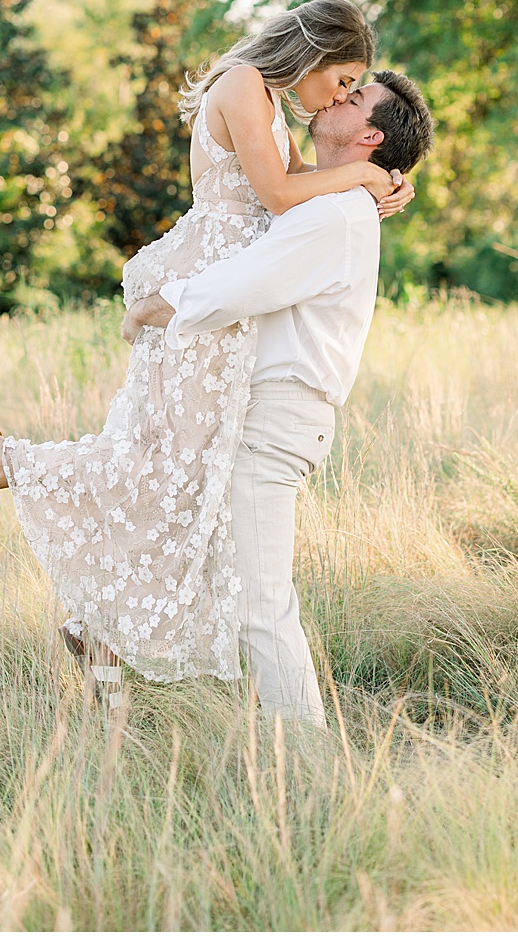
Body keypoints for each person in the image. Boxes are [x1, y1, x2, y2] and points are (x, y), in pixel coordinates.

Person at [0, 0, 410, 707]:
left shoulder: (272, 105)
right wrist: (367, 177)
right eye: (340, 81)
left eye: (349, 91)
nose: (335, 98)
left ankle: (102, 626)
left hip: (228, 307)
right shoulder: (243, 83)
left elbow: (306, 190)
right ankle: (4, 461)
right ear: (310, 51)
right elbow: (277, 195)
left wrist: (389, 178)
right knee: (165, 465)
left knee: (182, 480)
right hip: (203, 291)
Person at [121, 70, 435, 725]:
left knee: (262, 605)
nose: (336, 97)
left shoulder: (335, 214)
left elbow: (240, 286)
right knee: (218, 576)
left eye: (353, 98)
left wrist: (154, 306)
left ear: (369, 135)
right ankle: (102, 639)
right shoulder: (332, 201)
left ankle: (307, 772)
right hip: (266, 415)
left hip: (279, 420)